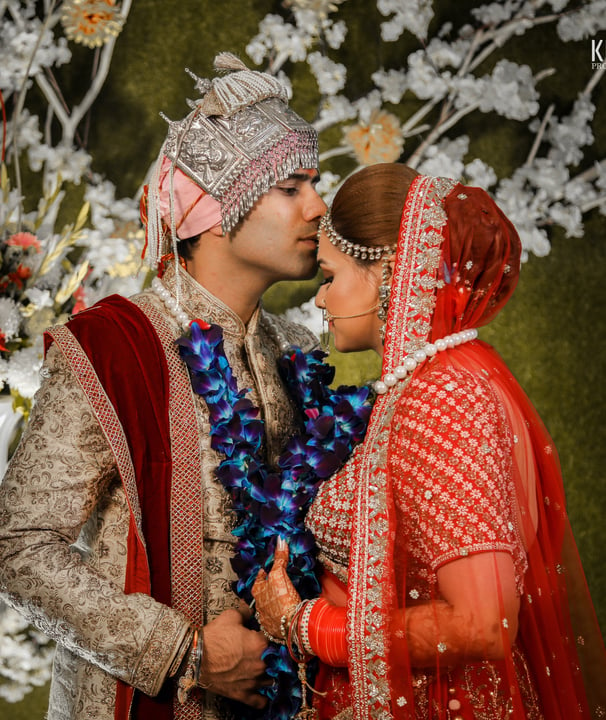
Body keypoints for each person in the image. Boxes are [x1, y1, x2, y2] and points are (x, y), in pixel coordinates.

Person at [0, 52, 326, 720]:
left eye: (315, 185)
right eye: (291, 187)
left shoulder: (298, 351)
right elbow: (18, 548)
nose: (319, 207)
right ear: (215, 208)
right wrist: (187, 652)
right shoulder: (114, 347)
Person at [251, 163, 606, 719]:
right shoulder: (444, 377)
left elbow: (482, 622)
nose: (321, 300)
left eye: (329, 276)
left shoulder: (440, 396)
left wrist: (309, 625)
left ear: (387, 271)